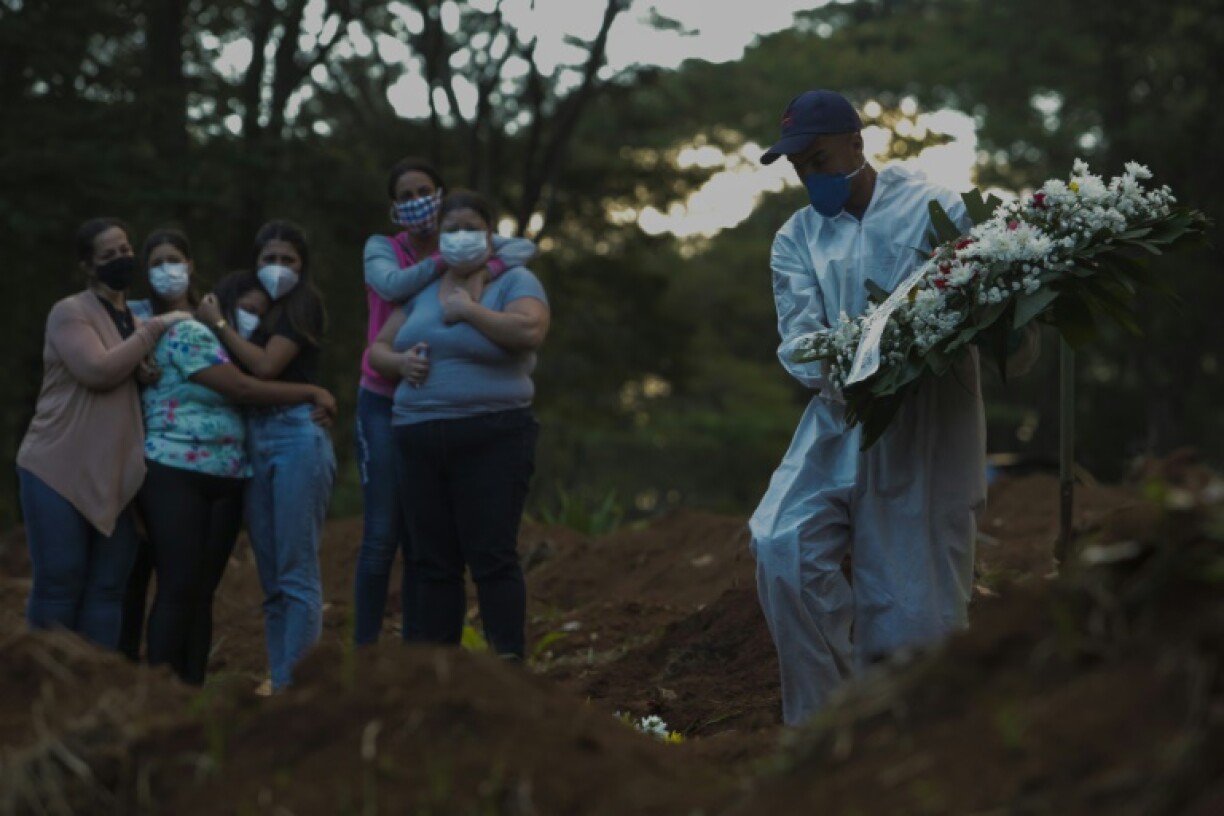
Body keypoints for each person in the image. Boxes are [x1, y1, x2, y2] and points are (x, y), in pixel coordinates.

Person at [748, 90, 1039, 725]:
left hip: (929, 424)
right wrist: (853, 366)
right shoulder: (797, 236)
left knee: (913, 601)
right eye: (799, 169)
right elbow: (800, 340)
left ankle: (915, 740)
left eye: (818, 159)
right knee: (782, 546)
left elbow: (998, 314)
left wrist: (1015, 319)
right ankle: (823, 726)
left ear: (856, 142)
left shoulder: (936, 209)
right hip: (841, 417)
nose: (811, 178)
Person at [128, 232, 336, 685]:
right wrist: (312, 391)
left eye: (175, 260)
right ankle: (159, 693)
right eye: (158, 262)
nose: (168, 270)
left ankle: (197, 691)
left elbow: (252, 370)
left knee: (203, 594)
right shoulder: (168, 327)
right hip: (175, 469)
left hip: (230, 470)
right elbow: (243, 387)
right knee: (181, 588)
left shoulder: (224, 333)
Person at [354, 157, 536, 646]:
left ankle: (488, 660)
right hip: (396, 412)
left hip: (485, 429)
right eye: (406, 195)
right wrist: (449, 267)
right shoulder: (397, 260)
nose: (418, 203)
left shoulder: (505, 277)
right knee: (394, 542)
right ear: (394, 207)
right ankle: (378, 654)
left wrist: (478, 282)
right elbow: (386, 311)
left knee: (474, 553)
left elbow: (526, 269)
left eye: (425, 192)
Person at [16, 217, 190, 649]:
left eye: (125, 249)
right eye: (108, 255)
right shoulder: (70, 312)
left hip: (114, 473)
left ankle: (95, 687)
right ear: (88, 267)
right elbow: (97, 370)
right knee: (60, 580)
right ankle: (46, 684)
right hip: (57, 467)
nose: (122, 260)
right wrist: (157, 328)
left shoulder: (131, 318)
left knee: (108, 587)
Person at [197, 220, 336, 692]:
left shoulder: (304, 306)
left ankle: (299, 691)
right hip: (254, 438)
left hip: (297, 435)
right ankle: (282, 683)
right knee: (272, 581)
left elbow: (263, 368)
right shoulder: (251, 313)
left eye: (288, 260)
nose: (278, 269)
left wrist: (215, 322)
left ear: (303, 266)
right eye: (269, 260)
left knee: (297, 574)